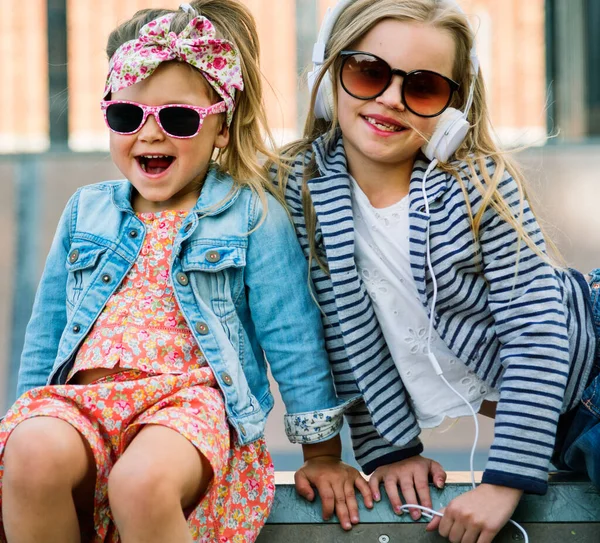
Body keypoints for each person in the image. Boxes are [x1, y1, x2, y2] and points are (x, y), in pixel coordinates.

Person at [0, 2, 372, 541]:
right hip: (81, 404)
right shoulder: (87, 210)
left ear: (221, 126)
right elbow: (47, 329)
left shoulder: (249, 215)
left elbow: (292, 337)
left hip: (187, 407)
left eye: (177, 118)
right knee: (31, 455)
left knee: (141, 482)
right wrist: (27, 417)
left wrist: (321, 453)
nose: (149, 135)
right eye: (128, 116)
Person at [271, 0, 600, 541]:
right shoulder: (303, 193)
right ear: (326, 73)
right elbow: (345, 338)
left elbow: (537, 331)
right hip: (564, 416)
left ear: (454, 106)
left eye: (423, 87)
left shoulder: (477, 185)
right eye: (368, 71)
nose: (391, 99)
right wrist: (391, 453)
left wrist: (503, 481)